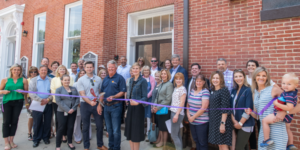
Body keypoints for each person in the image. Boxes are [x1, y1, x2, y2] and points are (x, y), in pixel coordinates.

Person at [245, 67, 287, 150]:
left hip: (277, 129)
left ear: (267, 77)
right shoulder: (255, 93)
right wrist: (250, 112)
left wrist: (284, 111)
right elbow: (257, 116)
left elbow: (294, 101)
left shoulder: (274, 89)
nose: (261, 78)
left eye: (264, 75)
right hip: (264, 133)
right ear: (254, 77)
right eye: (258, 75)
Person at [259, 73, 298, 149]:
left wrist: (276, 103)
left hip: (282, 114)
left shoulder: (289, 95)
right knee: (288, 128)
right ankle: (290, 144)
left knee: (264, 121)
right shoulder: (291, 92)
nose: (285, 86)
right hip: (288, 116)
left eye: (289, 84)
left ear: (296, 85)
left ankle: (266, 139)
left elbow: (290, 107)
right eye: (283, 83)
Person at [77, 61, 107, 150]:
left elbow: (101, 93)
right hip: (85, 105)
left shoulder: (98, 79)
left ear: (93, 68)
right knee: (85, 126)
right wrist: (90, 103)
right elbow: (82, 94)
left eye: (91, 67)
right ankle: (86, 146)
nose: (89, 68)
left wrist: (100, 104)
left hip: (97, 104)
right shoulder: (80, 80)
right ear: (85, 68)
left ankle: (100, 145)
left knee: (99, 125)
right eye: (87, 67)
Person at [0, 64, 29, 150]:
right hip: (7, 102)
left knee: (14, 121)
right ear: (11, 70)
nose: (16, 71)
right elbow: (0, 90)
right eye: (15, 70)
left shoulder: (24, 80)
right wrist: (3, 91)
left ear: (21, 71)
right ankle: (6, 142)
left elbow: (26, 93)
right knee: (6, 122)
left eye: (18, 70)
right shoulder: (5, 80)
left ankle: (12, 141)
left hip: (18, 103)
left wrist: (22, 91)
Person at [100, 60, 126, 150]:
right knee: (109, 130)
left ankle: (116, 148)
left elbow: (123, 92)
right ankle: (111, 147)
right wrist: (100, 104)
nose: (111, 68)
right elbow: (102, 92)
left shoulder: (120, 78)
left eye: (112, 67)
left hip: (116, 107)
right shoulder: (105, 79)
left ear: (116, 68)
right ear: (107, 68)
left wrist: (114, 96)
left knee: (116, 131)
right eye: (109, 67)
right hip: (106, 107)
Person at [124, 63, 148, 150]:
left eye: (137, 68)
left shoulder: (143, 81)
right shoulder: (130, 80)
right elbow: (129, 94)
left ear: (140, 69)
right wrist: (128, 100)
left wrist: (137, 102)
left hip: (138, 109)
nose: (135, 70)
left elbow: (145, 97)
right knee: (130, 131)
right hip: (130, 108)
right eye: (133, 68)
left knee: (136, 132)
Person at [28, 65, 53, 148]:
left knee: (47, 122)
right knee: (37, 122)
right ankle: (36, 139)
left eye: (45, 70)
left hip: (48, 103)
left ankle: (46, 137)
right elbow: (31, 92)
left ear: (47, 71)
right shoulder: (33, 80)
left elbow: (53, 92)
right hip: (37, 103)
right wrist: (40, 100)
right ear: (39, 71)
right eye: (42, 70)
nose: (43, 71)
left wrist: (48, 99)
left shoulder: (50, 80)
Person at [230, 69, 254, 150]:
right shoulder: (233, 90)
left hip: (245, 124)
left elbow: (248, 109)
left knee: (239, 148)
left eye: (240, 76)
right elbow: (230, 108)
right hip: (236, 123)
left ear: (244, 77)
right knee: (245, 147)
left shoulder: (248, 90)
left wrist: (240, 123)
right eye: (236, 76)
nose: (238, 78)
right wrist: (234, 121)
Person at [208, 71, 232, 150]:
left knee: (223, 145)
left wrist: (222, 123)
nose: (215, 80)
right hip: (214, 121)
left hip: (222, 121)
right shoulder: (213, 90)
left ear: (221, 79)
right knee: (219, 144)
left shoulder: (224, 90)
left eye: (217, 78)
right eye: (213, 78)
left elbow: (225, 108)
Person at [55, 74, 80, 150]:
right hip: (62, 111)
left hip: (72, 111)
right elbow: (58, 101)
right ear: (62, 80)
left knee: (70, 127)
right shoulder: (58, 89)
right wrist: (67, 109)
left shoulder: (74, 88)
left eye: (68, 80)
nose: (67, 81)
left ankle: (70, 142)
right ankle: (58, 146)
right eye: (65, 80)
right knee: (61, 128)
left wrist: (73, 108)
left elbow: (77, 99)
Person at [51, 65, 74, 142]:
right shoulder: (54, 79)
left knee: (67, 120)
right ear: (58, 70)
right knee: (58, 120)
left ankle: (66, 134)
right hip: (57, 102)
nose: (62, 70)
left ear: (66, 70)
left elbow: (72, 88)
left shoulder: (70, 78)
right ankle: (60, 134)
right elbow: (53, 90)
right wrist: (61, 95)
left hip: (68, 102)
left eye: (63, 69)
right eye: (60, 69)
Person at [187, 74, 210, 150]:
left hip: (201, 122)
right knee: (196, 140)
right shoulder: (192, 91)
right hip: (192, 121)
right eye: (197, 81)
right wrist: (189, 116)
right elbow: (188, 105)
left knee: (202, 142)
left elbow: (204, 107)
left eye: (200, 81)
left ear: (204, 82)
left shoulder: (205, 92)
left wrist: (193, 117)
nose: (198, 83)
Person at [152, 69, 174, 148]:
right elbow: (157, 97)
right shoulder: (161, 84)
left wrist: (157, 107)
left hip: (165, 109)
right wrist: (154, 106)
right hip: (158, 108)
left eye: (165, 74)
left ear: (168, 75)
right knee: (160, 126)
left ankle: (164, 144)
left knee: (164, 128)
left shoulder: (169, 84)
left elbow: (168, 99)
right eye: (162, 74)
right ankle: (160, 141)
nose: (163, 75)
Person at [73, 70, 92, 144]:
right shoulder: (75, 84)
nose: (82, 74)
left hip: (87, 104)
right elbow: (74, 95)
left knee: (87, 121)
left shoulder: (90, 82)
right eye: (81, 73)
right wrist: (78, 102)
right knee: (77, 122)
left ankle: (88, 136)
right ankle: (78, 137)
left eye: (84, 73)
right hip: (78, 105)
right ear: (78, 75)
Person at [170, 73, 187, 150]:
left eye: (180, 79)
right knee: (177, 134)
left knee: (174, 135)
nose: (178, 80)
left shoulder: (182, 89)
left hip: (178, 113)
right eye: (177, 79)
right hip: (173, 112)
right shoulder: (176, 88)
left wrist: (176, 115)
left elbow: (182, 103)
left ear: (182, 80)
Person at [142, 66, 155, 141]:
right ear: (143, 71)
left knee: (148, 117)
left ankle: (148, 133)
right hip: (142, 100)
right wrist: (142, 98)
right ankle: (142, 132)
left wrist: (146, 97)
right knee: (142, 116)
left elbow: (152, 89)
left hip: (149, 99)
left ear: (149, 71)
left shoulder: (152, 78)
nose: (146, 71)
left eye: (147, 70)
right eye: (145, 70)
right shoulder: (141, 78)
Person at [27, 66, 39, 141]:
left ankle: (36, 133)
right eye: (31, 72)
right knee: (31, 118)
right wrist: (26, 103)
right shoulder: (27, 80)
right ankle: (29, 133)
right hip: (30, 100)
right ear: (29, 73)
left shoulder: (39, 79)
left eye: (35, 72)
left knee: (37, 118)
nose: (33, 73)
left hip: (38, 99)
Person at [151, 71, 162, 145]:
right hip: (154, 107)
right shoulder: (156, 85)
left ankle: (160, 140)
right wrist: (152, 106)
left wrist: (156, 107)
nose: (157, 78)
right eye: (156, 76)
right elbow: (153, 97)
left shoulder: (162, 85)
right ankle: (157, 138)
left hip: (159, 108)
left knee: (161, 125)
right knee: (157, 123)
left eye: (158, 76)